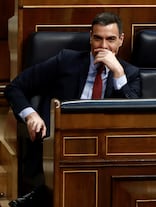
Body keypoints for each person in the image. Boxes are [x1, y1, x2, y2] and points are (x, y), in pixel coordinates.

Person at [5, 12, 141, 207]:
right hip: (61, 141)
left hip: (106, 146)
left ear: (121, 40)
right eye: (98, 39)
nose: (103, 47)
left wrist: (118, 73)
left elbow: (134, 116)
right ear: (90, 38)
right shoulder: (66, 60)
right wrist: (31, 115)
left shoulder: (130, 74)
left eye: (110, 39)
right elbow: (15, 87)